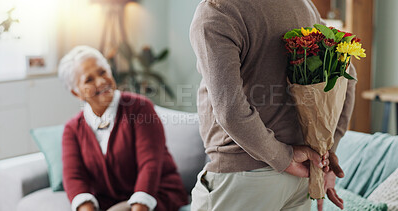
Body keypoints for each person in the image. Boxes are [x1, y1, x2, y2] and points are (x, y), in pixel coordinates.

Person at [189, 0, 356, 210]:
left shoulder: (218, 10)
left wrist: (283, 158)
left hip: (243, 176)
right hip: (299, 179)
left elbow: (231, 112)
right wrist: (324, 154)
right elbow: (347, 75)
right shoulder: (303, 6)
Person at [58, 46, 188, 211]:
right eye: (89, 80)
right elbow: (74, 177)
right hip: (109, 201)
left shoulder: (141, 108)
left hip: (156, 195)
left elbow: (150, 165)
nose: (101, 81)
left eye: (102, 72)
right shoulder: (72, 129)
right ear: (77, 93)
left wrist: (138, 207)